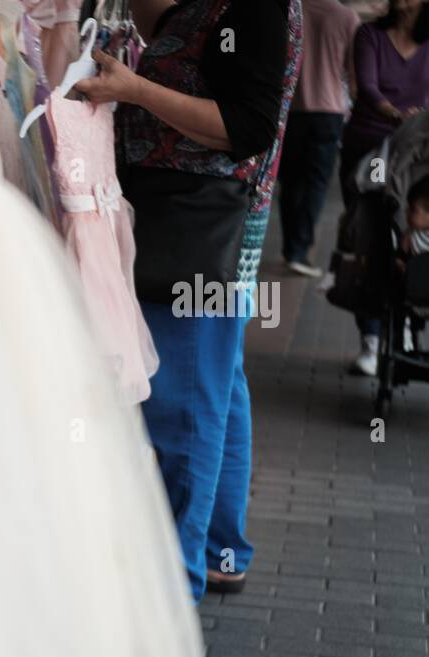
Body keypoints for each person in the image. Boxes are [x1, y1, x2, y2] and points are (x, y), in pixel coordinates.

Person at [75, 0, 300, 603]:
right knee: (216, 387)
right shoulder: (213, 6)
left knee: (185, 409)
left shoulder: (256, 8)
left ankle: (175, 588)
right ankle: (220, 553)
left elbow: (244, 128)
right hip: (196, 224)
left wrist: (137, 90)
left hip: (196, 228)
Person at [341, 0, 429, 375]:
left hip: (419, 149)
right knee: (373, 229)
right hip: (373, 147)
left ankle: (411, 316)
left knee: (416, 228)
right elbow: (368, 88)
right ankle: (371, 335)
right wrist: (398, 115)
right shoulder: (370, 35)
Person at [278, 0, 361, 278]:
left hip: (293, 109)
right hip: (330, 112)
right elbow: (353, 72)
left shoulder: (292, 10)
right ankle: (299, 250)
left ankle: (291, 247)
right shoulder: (347, 18)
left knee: (289, 181)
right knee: (316, 183)